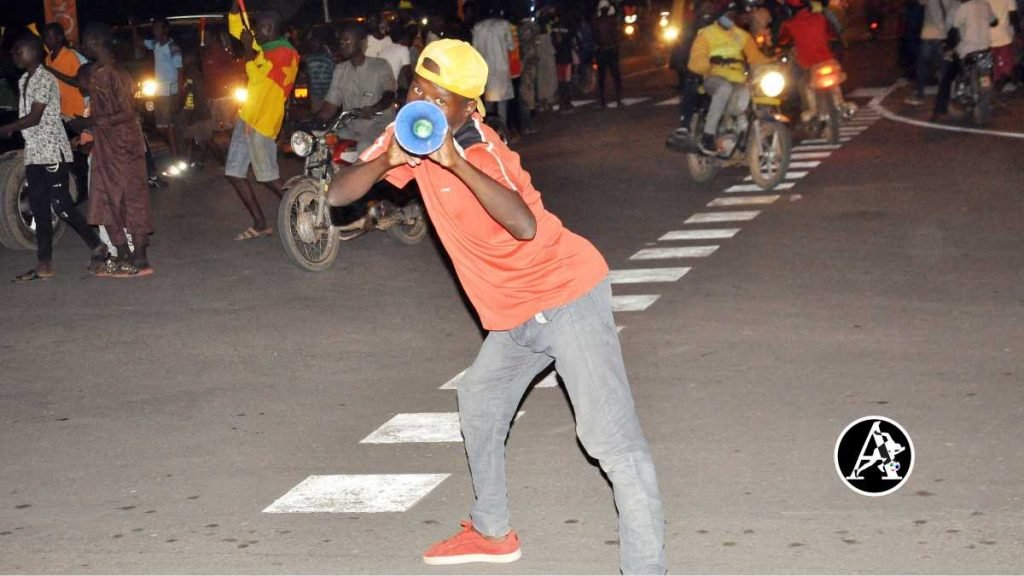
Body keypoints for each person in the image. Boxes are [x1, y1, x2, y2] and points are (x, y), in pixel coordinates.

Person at [326, 39, 666, 575]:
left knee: (611, 442)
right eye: (416, 88)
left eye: (440, 99)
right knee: (480, 400)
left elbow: (524, 225)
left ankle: (646, 569)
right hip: (514, 317)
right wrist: (387, 159)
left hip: (565, 297)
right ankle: (492, 532)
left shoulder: (481, 150)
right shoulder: (405, 137)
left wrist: (455, 163)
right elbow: (338, 196)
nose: (422, 103)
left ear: (468, 107)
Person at [0, 34, 106, 282]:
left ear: (33, 53)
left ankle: (97, 245)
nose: (15, 54)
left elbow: (35, 117)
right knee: (39, 208)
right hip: (35, 151)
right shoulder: (25, 79)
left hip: (51, 150)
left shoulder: (45, 79)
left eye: (19, 50)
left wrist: (6, 129)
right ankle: (44, 264)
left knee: (61, 205)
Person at [71, 23, 155, 277]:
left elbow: (128, 112)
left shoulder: (115, 73)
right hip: (106, 146)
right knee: (105, 199)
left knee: (132, 198)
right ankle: (121, 253)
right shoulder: (99, 72)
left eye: (84, 42)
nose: (82, 46)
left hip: (124, 145)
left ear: (95, 42)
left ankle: (140, 258)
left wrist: (91, 122)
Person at [224, 1, 299, 240]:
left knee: (268, 177)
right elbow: (239, 31)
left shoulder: (284, 53)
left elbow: (257, 78)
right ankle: (260, 224)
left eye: (260, 29)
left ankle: (304, 210)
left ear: (271, 28)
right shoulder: (269, 46)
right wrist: (236, 11)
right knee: (234, 173)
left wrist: (248, 49)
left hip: (263, 123)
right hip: (248, 116)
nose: (255, 33)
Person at [688, 2, 772, 152]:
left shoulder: (741, 36)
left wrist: (774, 64)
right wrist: (708, 63)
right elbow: (696, 59)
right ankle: (708, 135)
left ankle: (741, 134)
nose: (731, 18)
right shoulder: (706, 34)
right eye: (728, 15)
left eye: (734, 15)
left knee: (751, 95)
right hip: (714, 78)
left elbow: (756, 58)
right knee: (724, 88)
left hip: (738, 79)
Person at [317, 23, 396, 153]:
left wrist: (373, 109)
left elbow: (389, 95)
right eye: (341, 41)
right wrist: (317, 120)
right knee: (322, 142)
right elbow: (331, 105)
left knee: (364, 146)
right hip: (352, 127)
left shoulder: (380, 66)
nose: (343, 44)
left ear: (362, 43)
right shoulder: (340, 70)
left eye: (347, 40)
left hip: (379, 124)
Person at [41, 22, 90, 202]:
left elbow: (80, 81)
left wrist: (51, 71)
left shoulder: (69, 56)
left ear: (61, 37)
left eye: (52, 36)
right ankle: (78, 185)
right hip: (60, 110)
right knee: (71, 150)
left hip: (76, 108)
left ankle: (89, 185)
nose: (48, 40)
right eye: (46, 37)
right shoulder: (48, 58)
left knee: (84, 147)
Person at [932, 0, 998, 120]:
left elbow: (954, 30)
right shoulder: (985, 5)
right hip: (984, 51)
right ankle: (986, 103)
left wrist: (948, 46)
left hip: (968, 51)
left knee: (947, 77)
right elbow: (994, 22)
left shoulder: (963, 8)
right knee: (986, 77)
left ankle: (940, 109)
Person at [133, 17, 184, 164]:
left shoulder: (172, 47)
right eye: (154, 28)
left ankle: (177, 161)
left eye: (158, 27)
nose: (154, 30)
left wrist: (179, 95)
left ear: (166, 29)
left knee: (168, 128)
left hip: (169, 92)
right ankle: (178, 153)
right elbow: (138, 43)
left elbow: (180, 71)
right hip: (160, 92)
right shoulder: (156, 45)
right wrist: (134, 27)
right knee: (163, 127)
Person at [906, 0, 958, 104]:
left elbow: (920, 3)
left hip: (929, 35)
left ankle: (920, 94)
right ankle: (945, 95)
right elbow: (954, 13)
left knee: (922, 65)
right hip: (943, 36)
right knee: (943, 66)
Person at [472, 7, 515, 122]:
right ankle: (503, 132)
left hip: (486, 69)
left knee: (487, 103)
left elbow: (475, 50)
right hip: (502, 68)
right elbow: (512, 46)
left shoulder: (478, 27)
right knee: (502, 103)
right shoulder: (504, 25)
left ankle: (489, 131)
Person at [592, 0, 623, 107]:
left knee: (602, 77)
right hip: (609, 50)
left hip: (602, 51)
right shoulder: (611, 21)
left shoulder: (597, 21)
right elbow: (616, 35)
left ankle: (603, 100)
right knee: (615, 76)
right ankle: (617, 99)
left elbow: (595, 36)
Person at [303, 26, 336, 112]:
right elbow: (308, 77)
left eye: (315, 42)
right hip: (315, 94)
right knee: (317, 114)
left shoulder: (328, 58)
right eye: (311, 42)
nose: (313, 44)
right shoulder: (309, 59)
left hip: (329, 93)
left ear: (321, 43)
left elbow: (334, 74)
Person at [988, 0, 1019, 90]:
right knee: (1006, 65)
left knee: (993, 65)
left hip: (988, 37)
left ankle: (996, 83)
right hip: (1004, 36)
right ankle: (1004, 82)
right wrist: (1018, 32)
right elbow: (1013, 16)